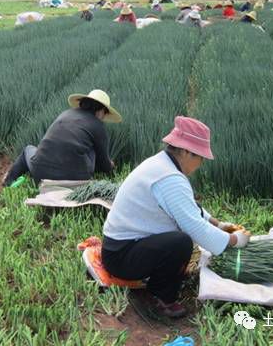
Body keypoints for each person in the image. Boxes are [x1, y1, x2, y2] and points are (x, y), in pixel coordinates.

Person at [101, 116, 250, 318]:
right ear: (186, 152)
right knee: (180, 242)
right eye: (200, 157)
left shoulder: (161, 165)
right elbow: (195, 227)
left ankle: (159, 278)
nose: (201, 164)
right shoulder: (169, 178)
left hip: (122, 247)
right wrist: (234, 240)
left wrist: (219, 224)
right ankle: (160, 298)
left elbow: (188, 207)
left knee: (177, 238)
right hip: (122, 257)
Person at [3, 90, 121, 186]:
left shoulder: (66, 114)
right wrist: (111, 166)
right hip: (75, 179)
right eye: (105, 114)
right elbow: (104, 164)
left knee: (28, 150)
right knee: (92, 149)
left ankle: (9, 179)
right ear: (101, 111)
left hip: (40, 173)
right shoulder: (97, 125)